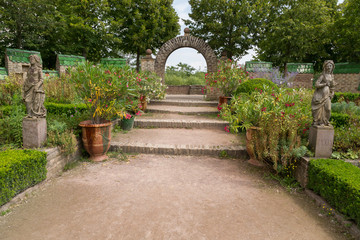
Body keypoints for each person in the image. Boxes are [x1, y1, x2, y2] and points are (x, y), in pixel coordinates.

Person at [311, 60, 335, 126]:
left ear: (332, 67)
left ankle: (326, 121)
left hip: (327, 96)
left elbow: (332, 87)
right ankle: (320, 121)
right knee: (320, 109)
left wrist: (332, 93)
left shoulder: (332, 77)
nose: (329, 67)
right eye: (328, 66)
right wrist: (324, 84)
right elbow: (316, 84)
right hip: (321, 95)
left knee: (328, 109)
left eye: (330, 66)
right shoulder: (322, 76)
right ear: (325, 67)